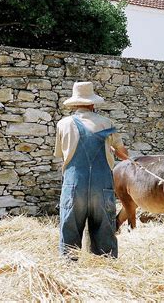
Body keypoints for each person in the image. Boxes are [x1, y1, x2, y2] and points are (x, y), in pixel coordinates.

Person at [54, 81, 129, 259]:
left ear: (75, 103)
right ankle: (105, 269)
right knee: (104, 233)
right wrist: (112, 150)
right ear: (92, 103)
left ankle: (69, 269)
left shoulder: (63, 124)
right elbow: (124, 155)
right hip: (101, 186)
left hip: (74, 185)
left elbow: (62, 155)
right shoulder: (106, 123)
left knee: (69, 231)